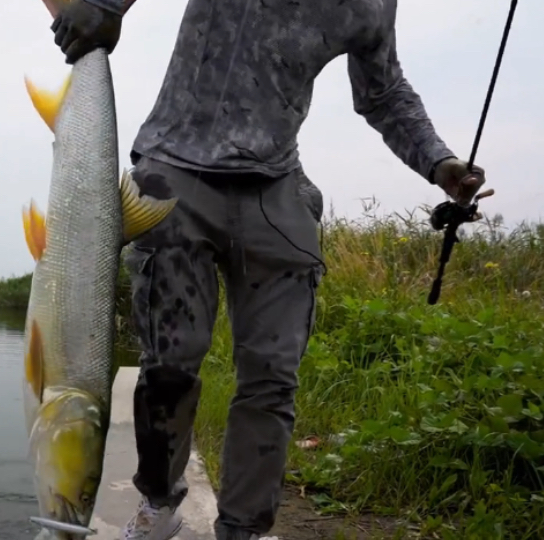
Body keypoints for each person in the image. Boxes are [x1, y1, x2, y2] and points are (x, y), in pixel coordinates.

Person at [47, 1, 487, 539]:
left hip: (275, 183)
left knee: (273, 378)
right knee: (170, 365)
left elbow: (384, 92)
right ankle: (159, 503)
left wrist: (440, 164)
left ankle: (243, 529)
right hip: (176, 167)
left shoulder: (371, 5)